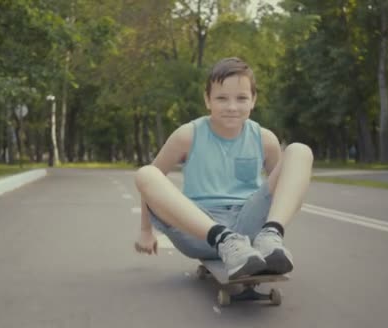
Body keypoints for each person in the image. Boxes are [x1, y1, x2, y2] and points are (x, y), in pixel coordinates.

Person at [133, 57, 313, 280]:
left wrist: (271, 224)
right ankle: (224, 240)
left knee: (300, 151)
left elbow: (284, 192)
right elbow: (149, 189)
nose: (232, 107)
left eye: (241, 98)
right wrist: (145, 230)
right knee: (146, 173)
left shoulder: (264, 139)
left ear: (253, 100)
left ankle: (271, 235)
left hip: (249, 225)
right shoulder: (187, 135)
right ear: (207, 99)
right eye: (221, 98)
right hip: (200, 230)